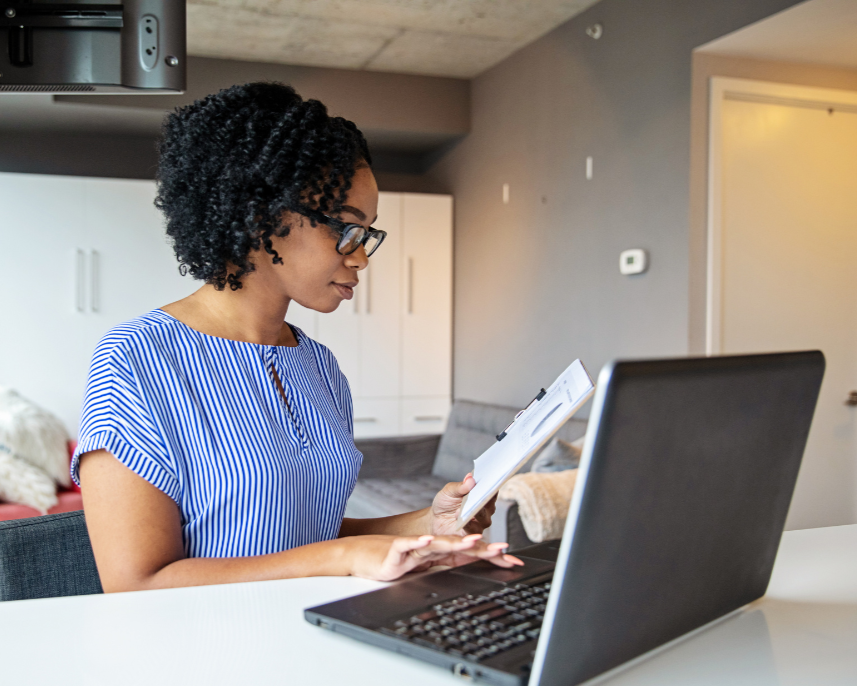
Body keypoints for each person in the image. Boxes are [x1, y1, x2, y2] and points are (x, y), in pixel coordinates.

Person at [74, 82, 521, 593]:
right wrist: (347, 556)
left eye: (368, 234)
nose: (361, 257)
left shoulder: (319, 366)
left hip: (317, 631)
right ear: (262, 215)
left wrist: (428, 525)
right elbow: (135, 583)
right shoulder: (137, 358)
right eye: (347, 230)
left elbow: (308, 539)